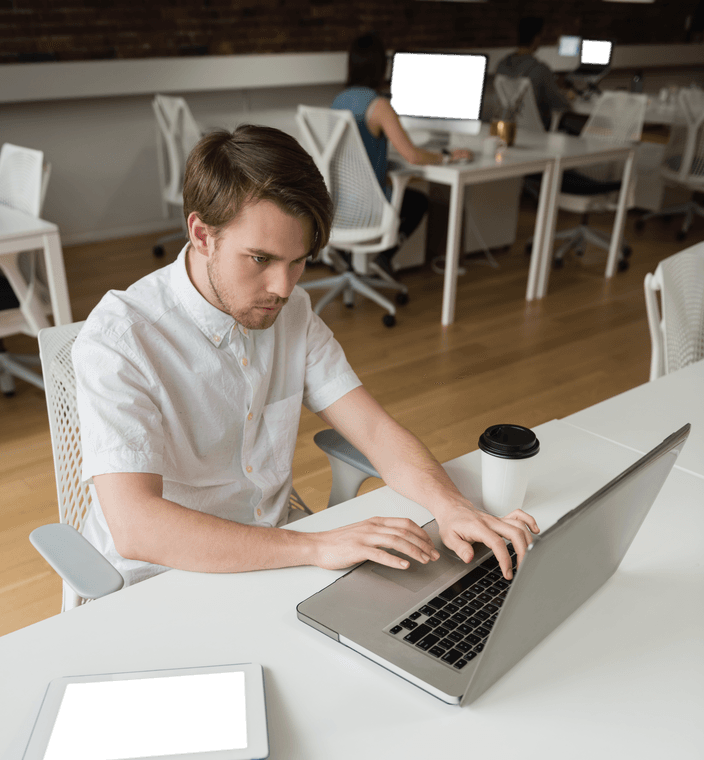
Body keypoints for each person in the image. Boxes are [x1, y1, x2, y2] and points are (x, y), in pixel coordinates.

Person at [72, 125, 538, 591]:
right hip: (158, 582)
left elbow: (373, 429)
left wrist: (451, 506)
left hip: (271, 558)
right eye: (260, 259)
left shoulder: (290, 312)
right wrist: (316, 546)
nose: (284, 287)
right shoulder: (121, 339)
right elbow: (136, 526)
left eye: (299, 261)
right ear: (201, 234)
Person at [331, 33, 473, 278]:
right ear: (381, 67)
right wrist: (446, 157)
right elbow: (413, 156)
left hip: (339, 206)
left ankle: (347, 255)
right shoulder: (379, 106)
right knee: (419, 202)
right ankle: (384, 258)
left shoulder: (338, 101)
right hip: (369, 208)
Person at [496, 16, 573, 131]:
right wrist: (568, 96)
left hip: (508, 128)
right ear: (537, 38)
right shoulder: (540, 69)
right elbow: (561, 105)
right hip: (537, 131)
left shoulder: (501, 65)